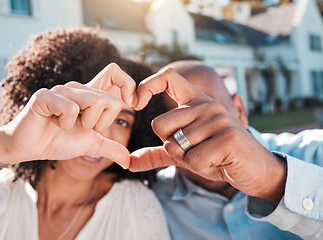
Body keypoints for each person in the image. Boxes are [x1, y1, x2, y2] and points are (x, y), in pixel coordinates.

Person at [0, 28, 170, 240]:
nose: (102, 130)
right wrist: (6, 145)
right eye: (88, 107)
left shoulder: (137, 210)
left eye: (121, 121)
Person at [128, 60, 323, 240]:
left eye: (212, 114)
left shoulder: (315, 152)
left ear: (239, 109)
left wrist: (271, 179)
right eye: (178, 127)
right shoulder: (152, 201)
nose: (199, 135)